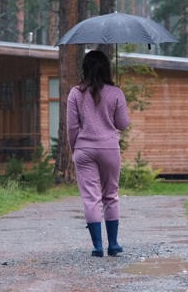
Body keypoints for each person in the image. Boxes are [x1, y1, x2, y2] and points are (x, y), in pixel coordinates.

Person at [66, 50, 130, 257]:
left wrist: (74, 148)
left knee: (91, 198)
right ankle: (113, 244)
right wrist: (117, 98)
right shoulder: (115, 92)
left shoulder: (76, 93)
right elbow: (123, 124)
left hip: (84, 149)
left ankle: (97, 247)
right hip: (109, 148)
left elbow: (72, 127)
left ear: (85, 68)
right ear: (106, 68)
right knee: (110, 196)